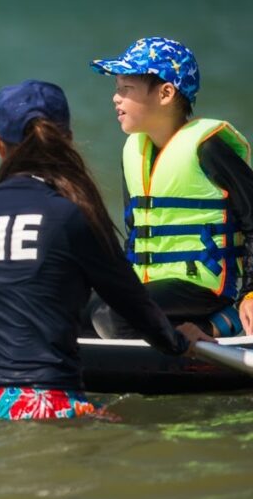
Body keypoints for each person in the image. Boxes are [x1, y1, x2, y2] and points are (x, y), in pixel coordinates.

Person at [0, 79, 211, 423]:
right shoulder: (70, 215)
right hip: (47, 401)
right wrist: (179, 343)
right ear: (67, 141)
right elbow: (131, 302)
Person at [90, 37, 253, 338]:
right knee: (78, 310)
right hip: (156, 287)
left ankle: (218, 326)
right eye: (117, 89)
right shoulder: (133, 153)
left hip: (207, 288)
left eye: (126, 89)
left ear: (166, 93)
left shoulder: (209, 148)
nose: (116, 98)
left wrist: (251, 292)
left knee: (112, 317)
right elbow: (136, 235)